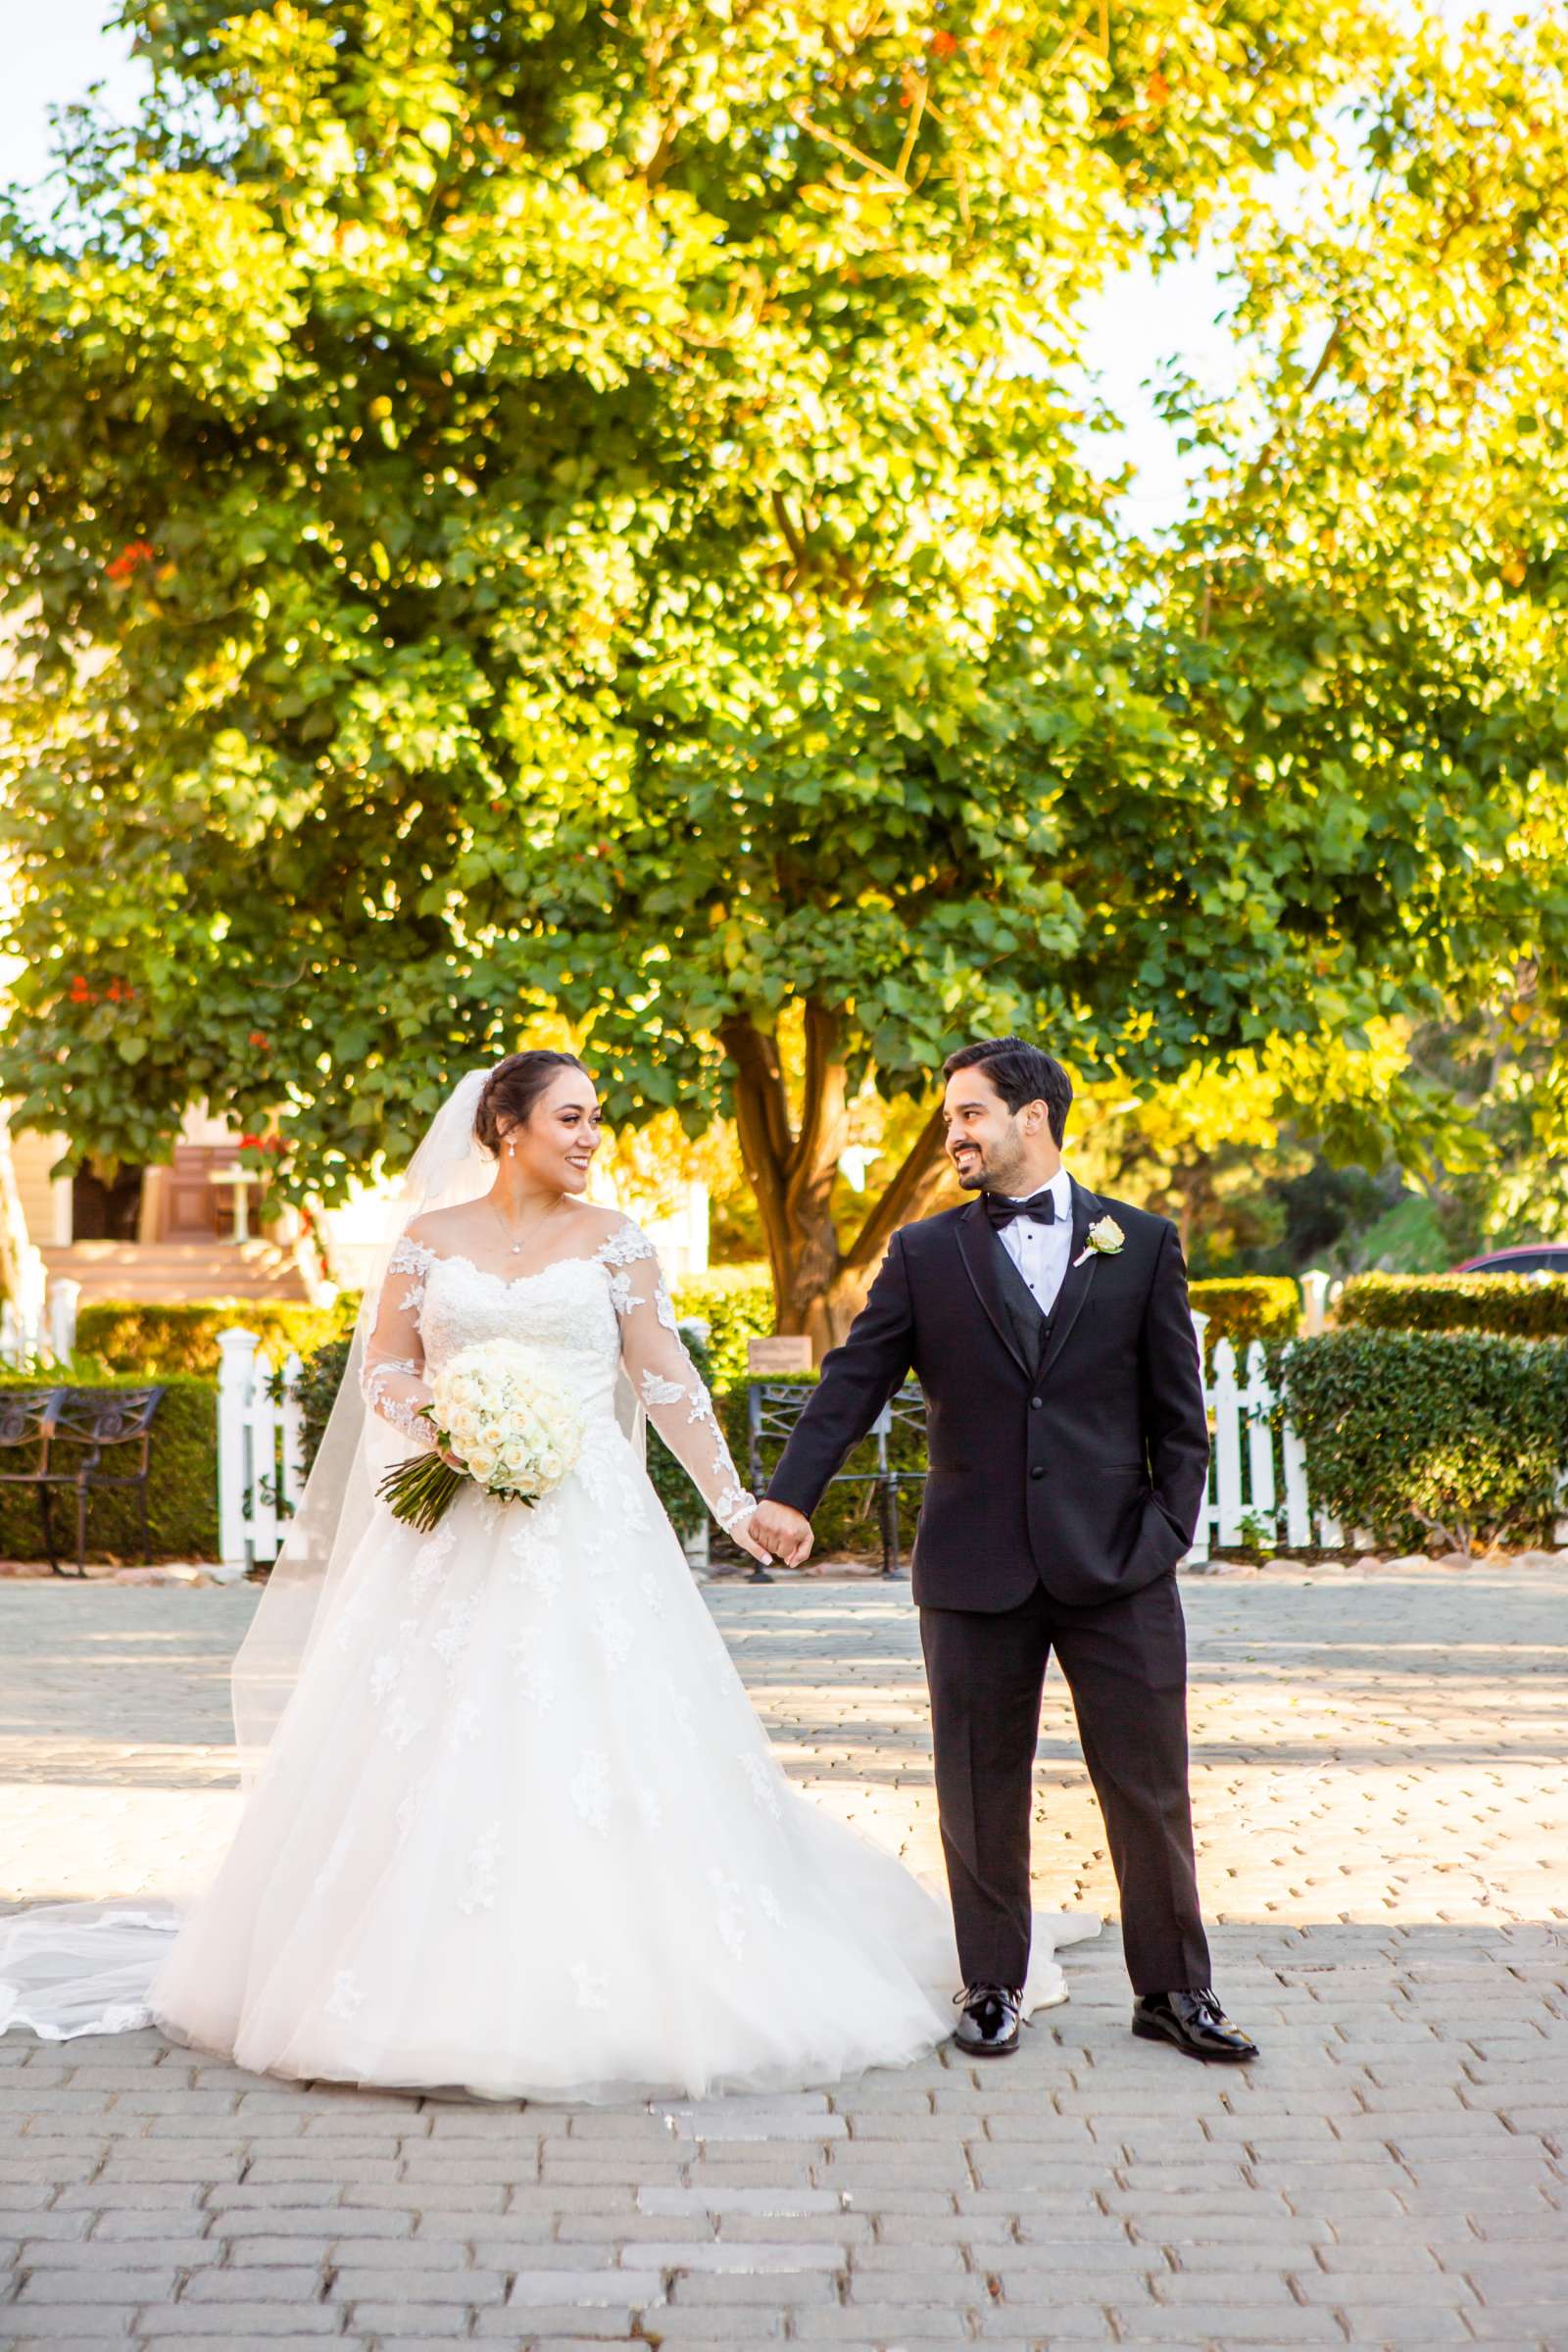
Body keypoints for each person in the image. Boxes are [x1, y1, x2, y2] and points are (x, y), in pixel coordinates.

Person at [0, 1052, 1094, 2096]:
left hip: (588, 1527)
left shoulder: (616, 1241)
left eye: (596, 1118)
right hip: (448, 1526)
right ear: (504, 1128)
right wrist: (445, 1424)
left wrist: (737, 1506)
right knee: (424, 1737)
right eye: (570, 1117)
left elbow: (663, 1380)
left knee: (598, 1729)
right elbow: (383, 1364)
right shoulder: (427, 1240)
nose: (591, 1136)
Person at [749, 1037, 1257, 2065]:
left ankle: (1173, 1991)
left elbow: (1178, 1416)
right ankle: (991, 1984)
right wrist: (788, 1497)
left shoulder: (1142, 1242)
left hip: (1118, 1564)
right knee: (978, 1784)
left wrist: (1162, 1536)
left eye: (969, 1115)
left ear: (1033, 1117)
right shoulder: (925, 1255)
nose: (953, 1136)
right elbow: (853, 1380)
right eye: (949, 1120)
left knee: (1149, 1786)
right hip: (973, 1566)